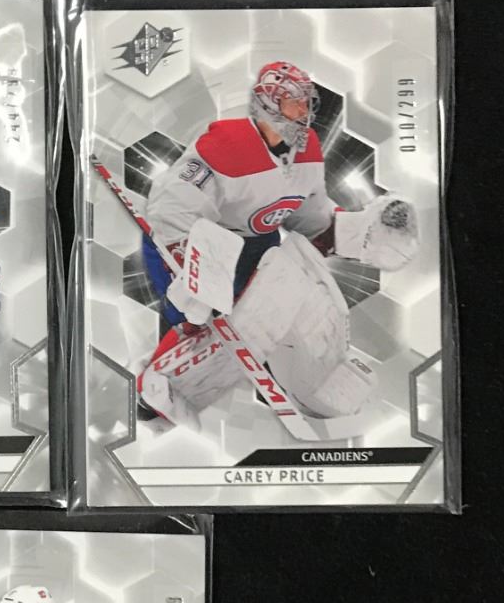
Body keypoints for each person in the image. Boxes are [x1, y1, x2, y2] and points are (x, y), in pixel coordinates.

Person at [135, 59, 419, 426]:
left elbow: (311, 220)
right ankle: (159, 390)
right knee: (196, 318)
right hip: (190, 241)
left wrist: (364, 231)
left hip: (254, 245)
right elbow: (172, 208)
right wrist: (193, 270)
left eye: (306, 102)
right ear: (267, 103)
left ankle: (298, 377)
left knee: (293, 292)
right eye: (293, 102)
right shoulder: (225, 144)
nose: (303, 111)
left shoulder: (307, 150)